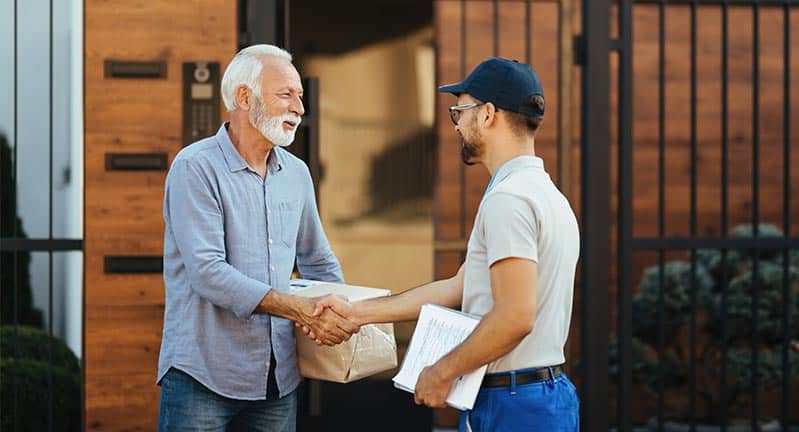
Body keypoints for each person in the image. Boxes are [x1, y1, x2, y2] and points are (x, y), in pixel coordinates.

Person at [310, 57, 580, 431]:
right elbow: (460, 286)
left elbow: (515, 315)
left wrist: (442, 371)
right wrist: (356, 314)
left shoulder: (510, 200)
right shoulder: (546, 196)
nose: (456, 125)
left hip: (515, 405)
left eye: (460, 111)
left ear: (487, 114)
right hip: (530, 396)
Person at [156, 44, 358, 432]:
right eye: (286, 94)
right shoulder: (195, 168)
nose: (300, 108)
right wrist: (296, 309)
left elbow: (317, 259)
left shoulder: (296, 173)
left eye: (300, 96)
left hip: (276, 381)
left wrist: (347, 312)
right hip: (202, 375)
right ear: (244, 97)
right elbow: (208, 272)